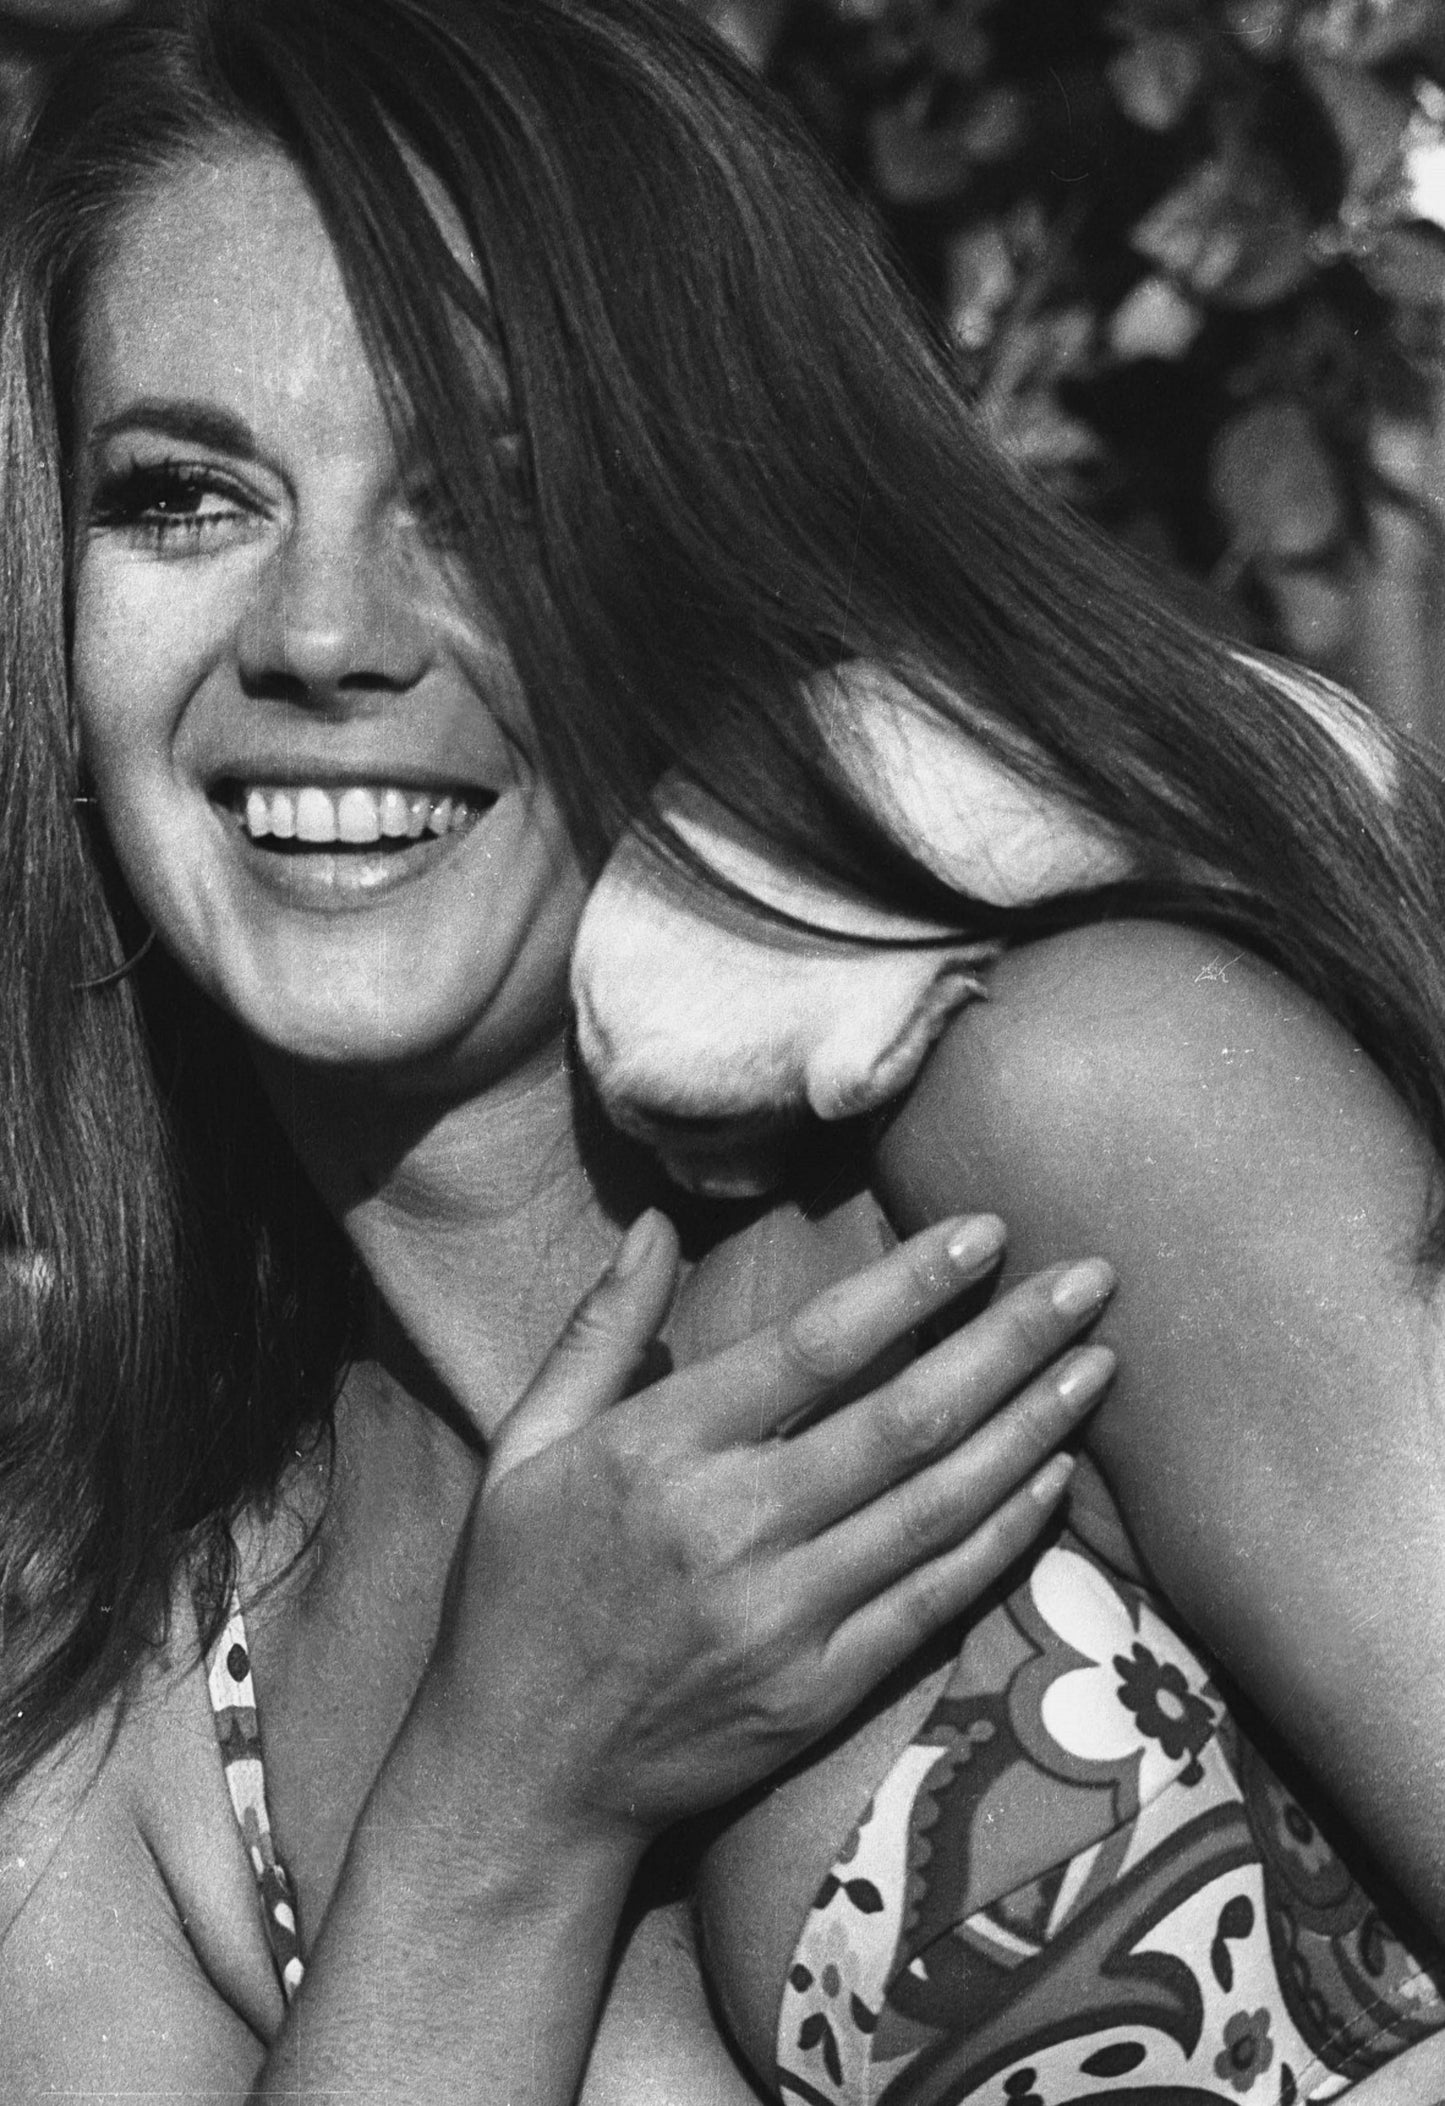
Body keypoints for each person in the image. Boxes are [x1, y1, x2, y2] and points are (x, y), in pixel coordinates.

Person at [2, 1, 1445, 2101]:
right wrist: (510, 1795)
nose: (322, 636)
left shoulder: (1066, 1134)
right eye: (188, 495)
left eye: (483, 489)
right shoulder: (111, 1686)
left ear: (702, 516)